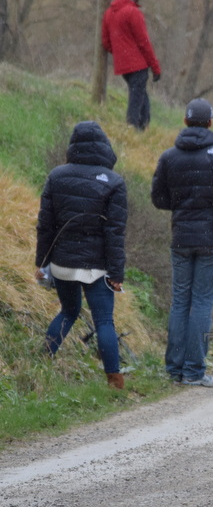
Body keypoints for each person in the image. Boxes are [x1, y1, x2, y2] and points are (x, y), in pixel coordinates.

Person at [151, 98, 213, 387]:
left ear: (185, 121)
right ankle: (193, 371)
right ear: (211, 123)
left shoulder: (169, 157)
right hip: (210, 242)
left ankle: (174, 369)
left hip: (180, 239)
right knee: (202, 303)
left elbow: (158, 198)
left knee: (180, 301)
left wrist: (183, 207)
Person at [35, 121, 128, 389]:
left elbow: (46, 225)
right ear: (103, 146)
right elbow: (115, 232)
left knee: (68, 311)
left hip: (62, 263)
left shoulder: (57, 176)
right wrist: (117, 273)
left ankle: (42, 362)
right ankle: (114, 381)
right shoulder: (114, 182)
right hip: (97, 268)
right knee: (104, 321)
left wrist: (41, 263)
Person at [102, 0, 161, 131]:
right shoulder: (133, 12)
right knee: (136, 98)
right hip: (138, 65)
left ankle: (144, 126)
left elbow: (106, 42)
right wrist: (155, 67)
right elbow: (144, 43)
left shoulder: (109, 13)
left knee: (139, 93)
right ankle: (132, 128)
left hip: (123, 67)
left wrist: (120, 53)